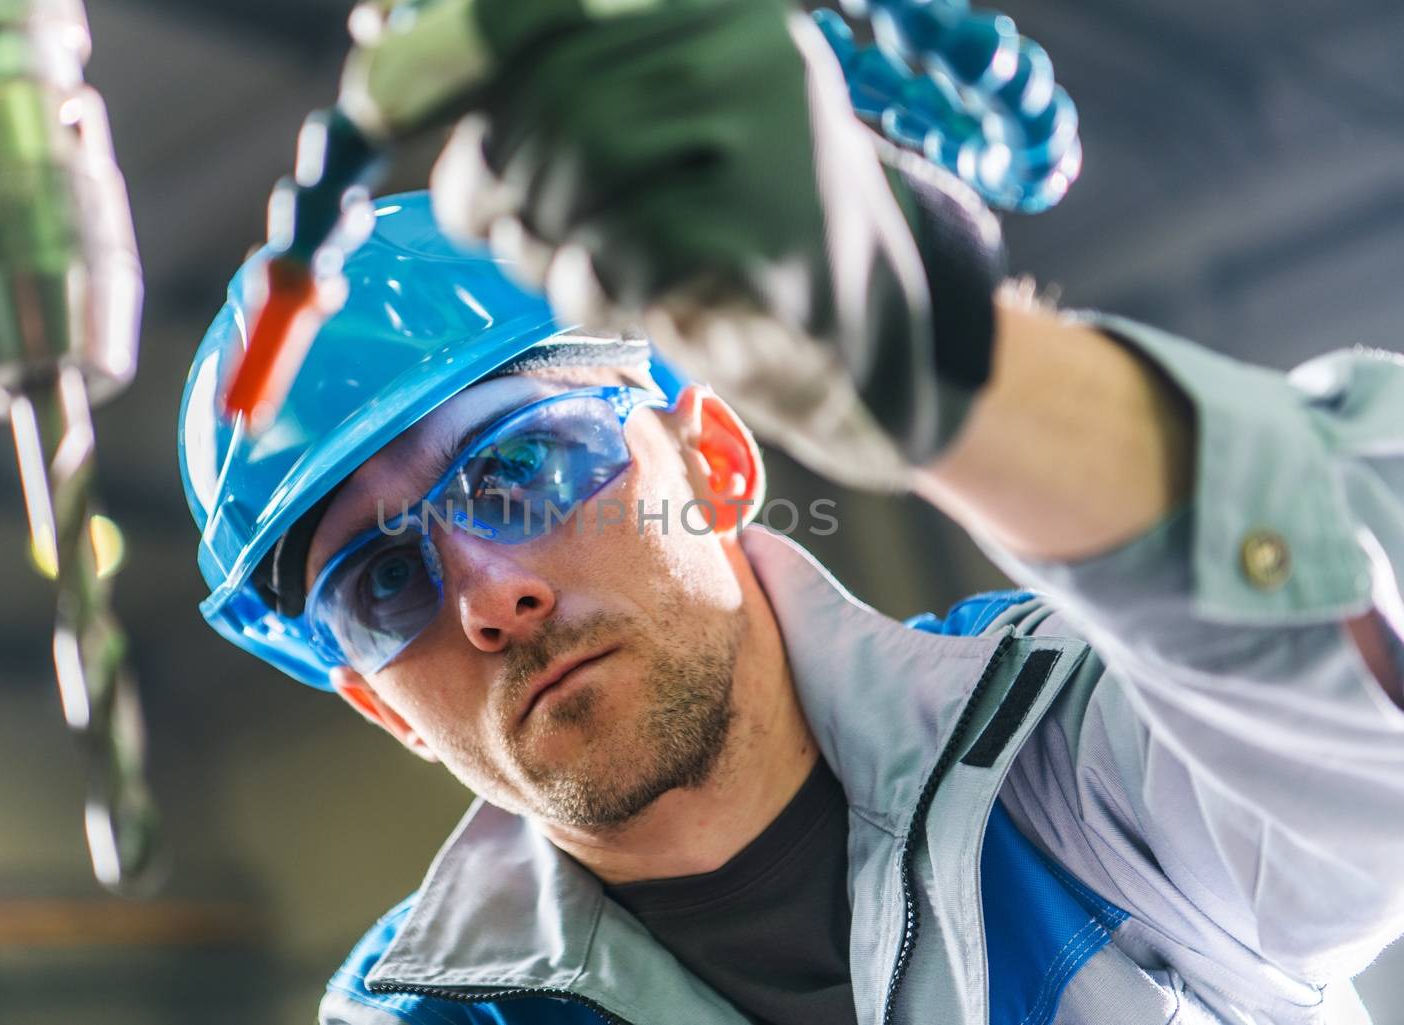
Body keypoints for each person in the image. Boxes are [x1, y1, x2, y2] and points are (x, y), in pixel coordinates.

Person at [178, 5, 1404, 1023]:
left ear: (711, 458)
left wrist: (931, 355)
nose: (492, 593)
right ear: (377, 700)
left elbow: (1367, 756)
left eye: (520, 471)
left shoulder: (1073, 748)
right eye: (383, 584)